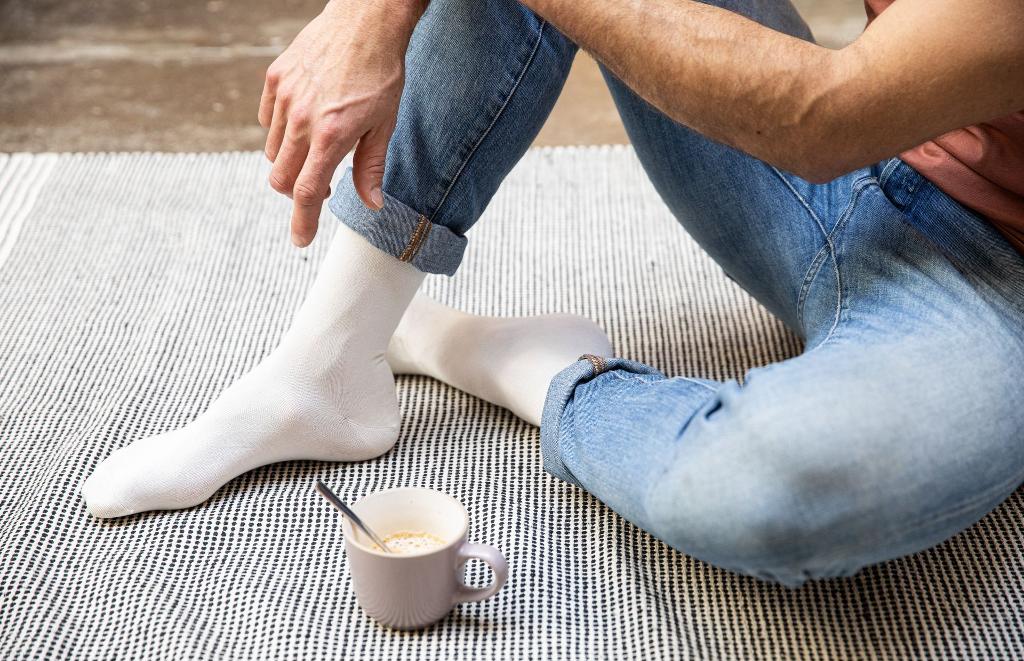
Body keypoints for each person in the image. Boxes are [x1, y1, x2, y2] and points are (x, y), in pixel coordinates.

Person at [82, 0, 1024, 587]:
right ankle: (329, 367)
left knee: (778, 489)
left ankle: (536, 369)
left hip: (990, 287)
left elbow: (823, 115)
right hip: (869, 170)